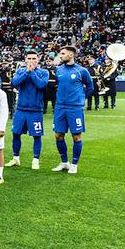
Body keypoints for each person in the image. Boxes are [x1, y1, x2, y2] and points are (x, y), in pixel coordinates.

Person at [51, 45, 94, 175]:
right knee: (58, 135)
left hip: (75, 108)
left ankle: (74, 164)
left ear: (71, 54)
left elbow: (90, 87)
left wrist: (80, 99)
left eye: (63, 53)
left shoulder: (82, 71)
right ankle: (65, 162)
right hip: (60, 107)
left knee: (76, 137)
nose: (60, 56)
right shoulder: (58, 70)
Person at [7, 50, 48, 170]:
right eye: (29, 58)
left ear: (38, 59)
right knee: (16, 134)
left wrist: (32, 73)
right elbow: (14, 83)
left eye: (34, 58)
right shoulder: (20, 71)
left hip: (35, 110)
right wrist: (26, 72)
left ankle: (35, 159)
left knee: (37, 136)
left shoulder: (43, 72)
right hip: (20, 109)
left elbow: (41, 85)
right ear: (25, 60)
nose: (31, 61)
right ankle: (16, 158)